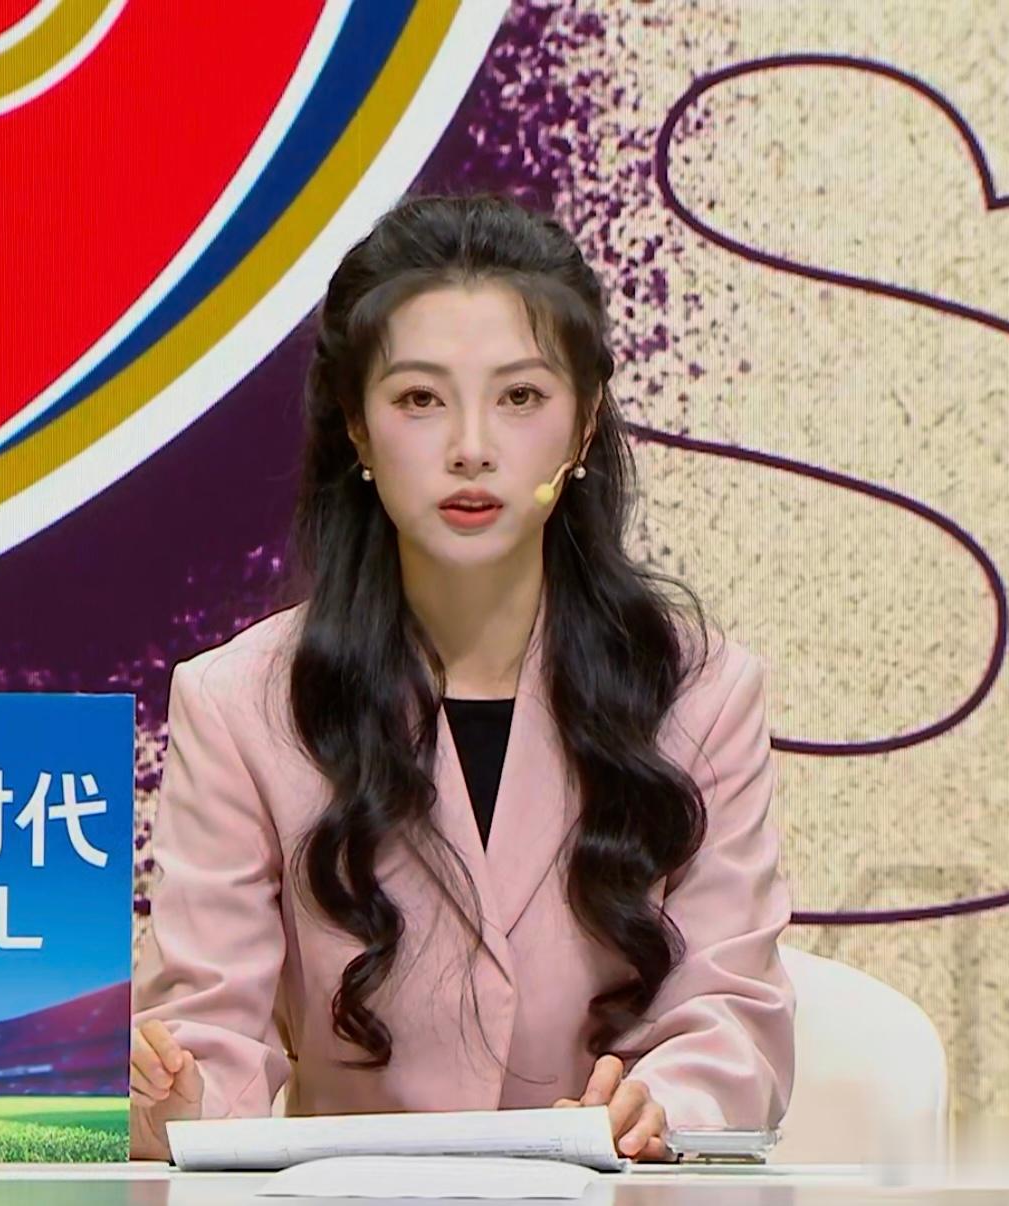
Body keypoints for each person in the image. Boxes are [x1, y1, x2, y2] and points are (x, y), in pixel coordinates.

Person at [129, 192, 794, 1164]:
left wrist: (661, 1103)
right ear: (356, 429)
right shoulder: (238, 704)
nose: (470, 446)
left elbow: (730, 1013)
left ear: (583, 424)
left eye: (519, 397)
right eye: (419, 400)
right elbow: (206, 1033)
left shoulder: (699, 694)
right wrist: (175, 1104)